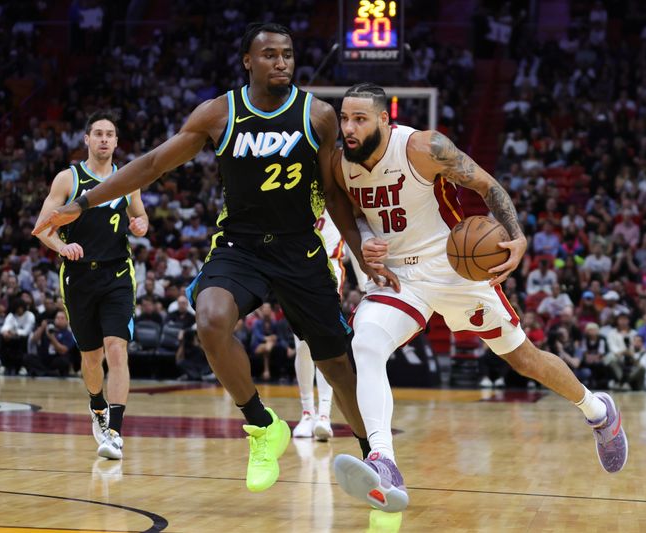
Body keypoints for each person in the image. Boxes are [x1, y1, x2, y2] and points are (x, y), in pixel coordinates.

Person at [33, 23, 396, 493]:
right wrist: (83, 203)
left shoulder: (319, 116)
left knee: (336, 365)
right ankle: (263, 425)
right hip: (240, 245)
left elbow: (334, 193)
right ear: (248, 61)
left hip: (298, 247)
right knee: (209, 319)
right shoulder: (219, 114)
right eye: (269, 54)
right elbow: (152, 165)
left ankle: (376, 461)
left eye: (287, 54)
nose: (281, 62)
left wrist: (361, 249)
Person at [330, 83, 628, 513]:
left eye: (359, 119)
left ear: (384, 120)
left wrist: (518, 235)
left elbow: (488, 187)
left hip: (454, 267)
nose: (349, 128)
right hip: (399, 277)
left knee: (523, 358)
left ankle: (598, 410)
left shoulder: (423, 147)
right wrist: (366, 242)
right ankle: (383, 461)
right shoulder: (342, 164)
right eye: (344, 118)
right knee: (366, 344)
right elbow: (353, 214)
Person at [32, 110, 149, 460]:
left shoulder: (128, 178)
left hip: (117, 274)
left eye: (109, 134)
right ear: (86, 139)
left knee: (116, 347)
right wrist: (61, 246)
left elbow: (138, 214)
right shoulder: (68, 180)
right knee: (91, 356)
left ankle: (114, 431)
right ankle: (97, 404)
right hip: (78, 276)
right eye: (97, 133)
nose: (103, 139)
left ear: (116, 141)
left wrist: (140, 224)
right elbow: (41, 228)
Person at [292, 209, 342, 441]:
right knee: (302, 345)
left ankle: (324, 415)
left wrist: (364, 281)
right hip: (295, 271)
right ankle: (307, 413)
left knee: (324, 345)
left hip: (330, 269)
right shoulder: (294, 189)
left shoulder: (334, 191)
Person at [23, 310, 76, 377]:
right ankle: (49, 372)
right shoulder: (46, 329)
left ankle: (42, 372)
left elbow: (63, 351)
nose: (59, 320)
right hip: (43, 358)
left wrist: (52, 338)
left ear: (66, 322)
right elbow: (34, 340)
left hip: (56, 359)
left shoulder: (68, 334)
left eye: (62, 318)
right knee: (27, 357)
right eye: (57, 318)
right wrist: (42, 327)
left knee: (64, 361)